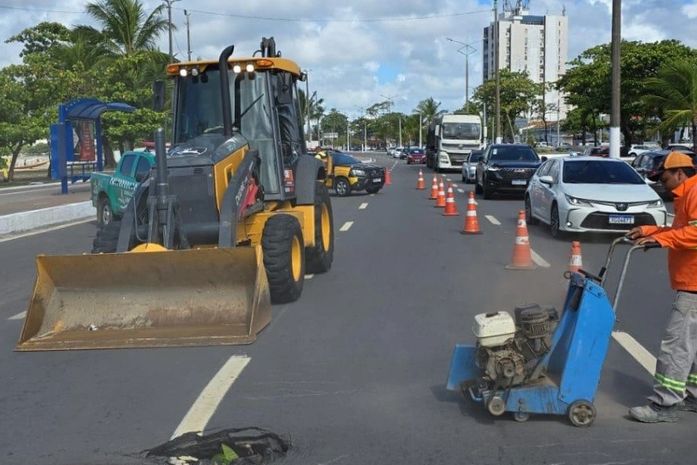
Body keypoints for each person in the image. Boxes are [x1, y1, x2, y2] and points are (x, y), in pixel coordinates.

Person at [626, 151, 697, 423]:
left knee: (677, 345)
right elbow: (680, 231)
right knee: (692, 345)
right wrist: (649, 232)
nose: (661, 182)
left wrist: (662, 242)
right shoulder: (686, 195)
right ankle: (693, 395)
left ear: (679, 172)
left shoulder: (694, 193)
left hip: (694, 284)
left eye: (664, 177)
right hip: (691, 282)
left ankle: (664, 404)